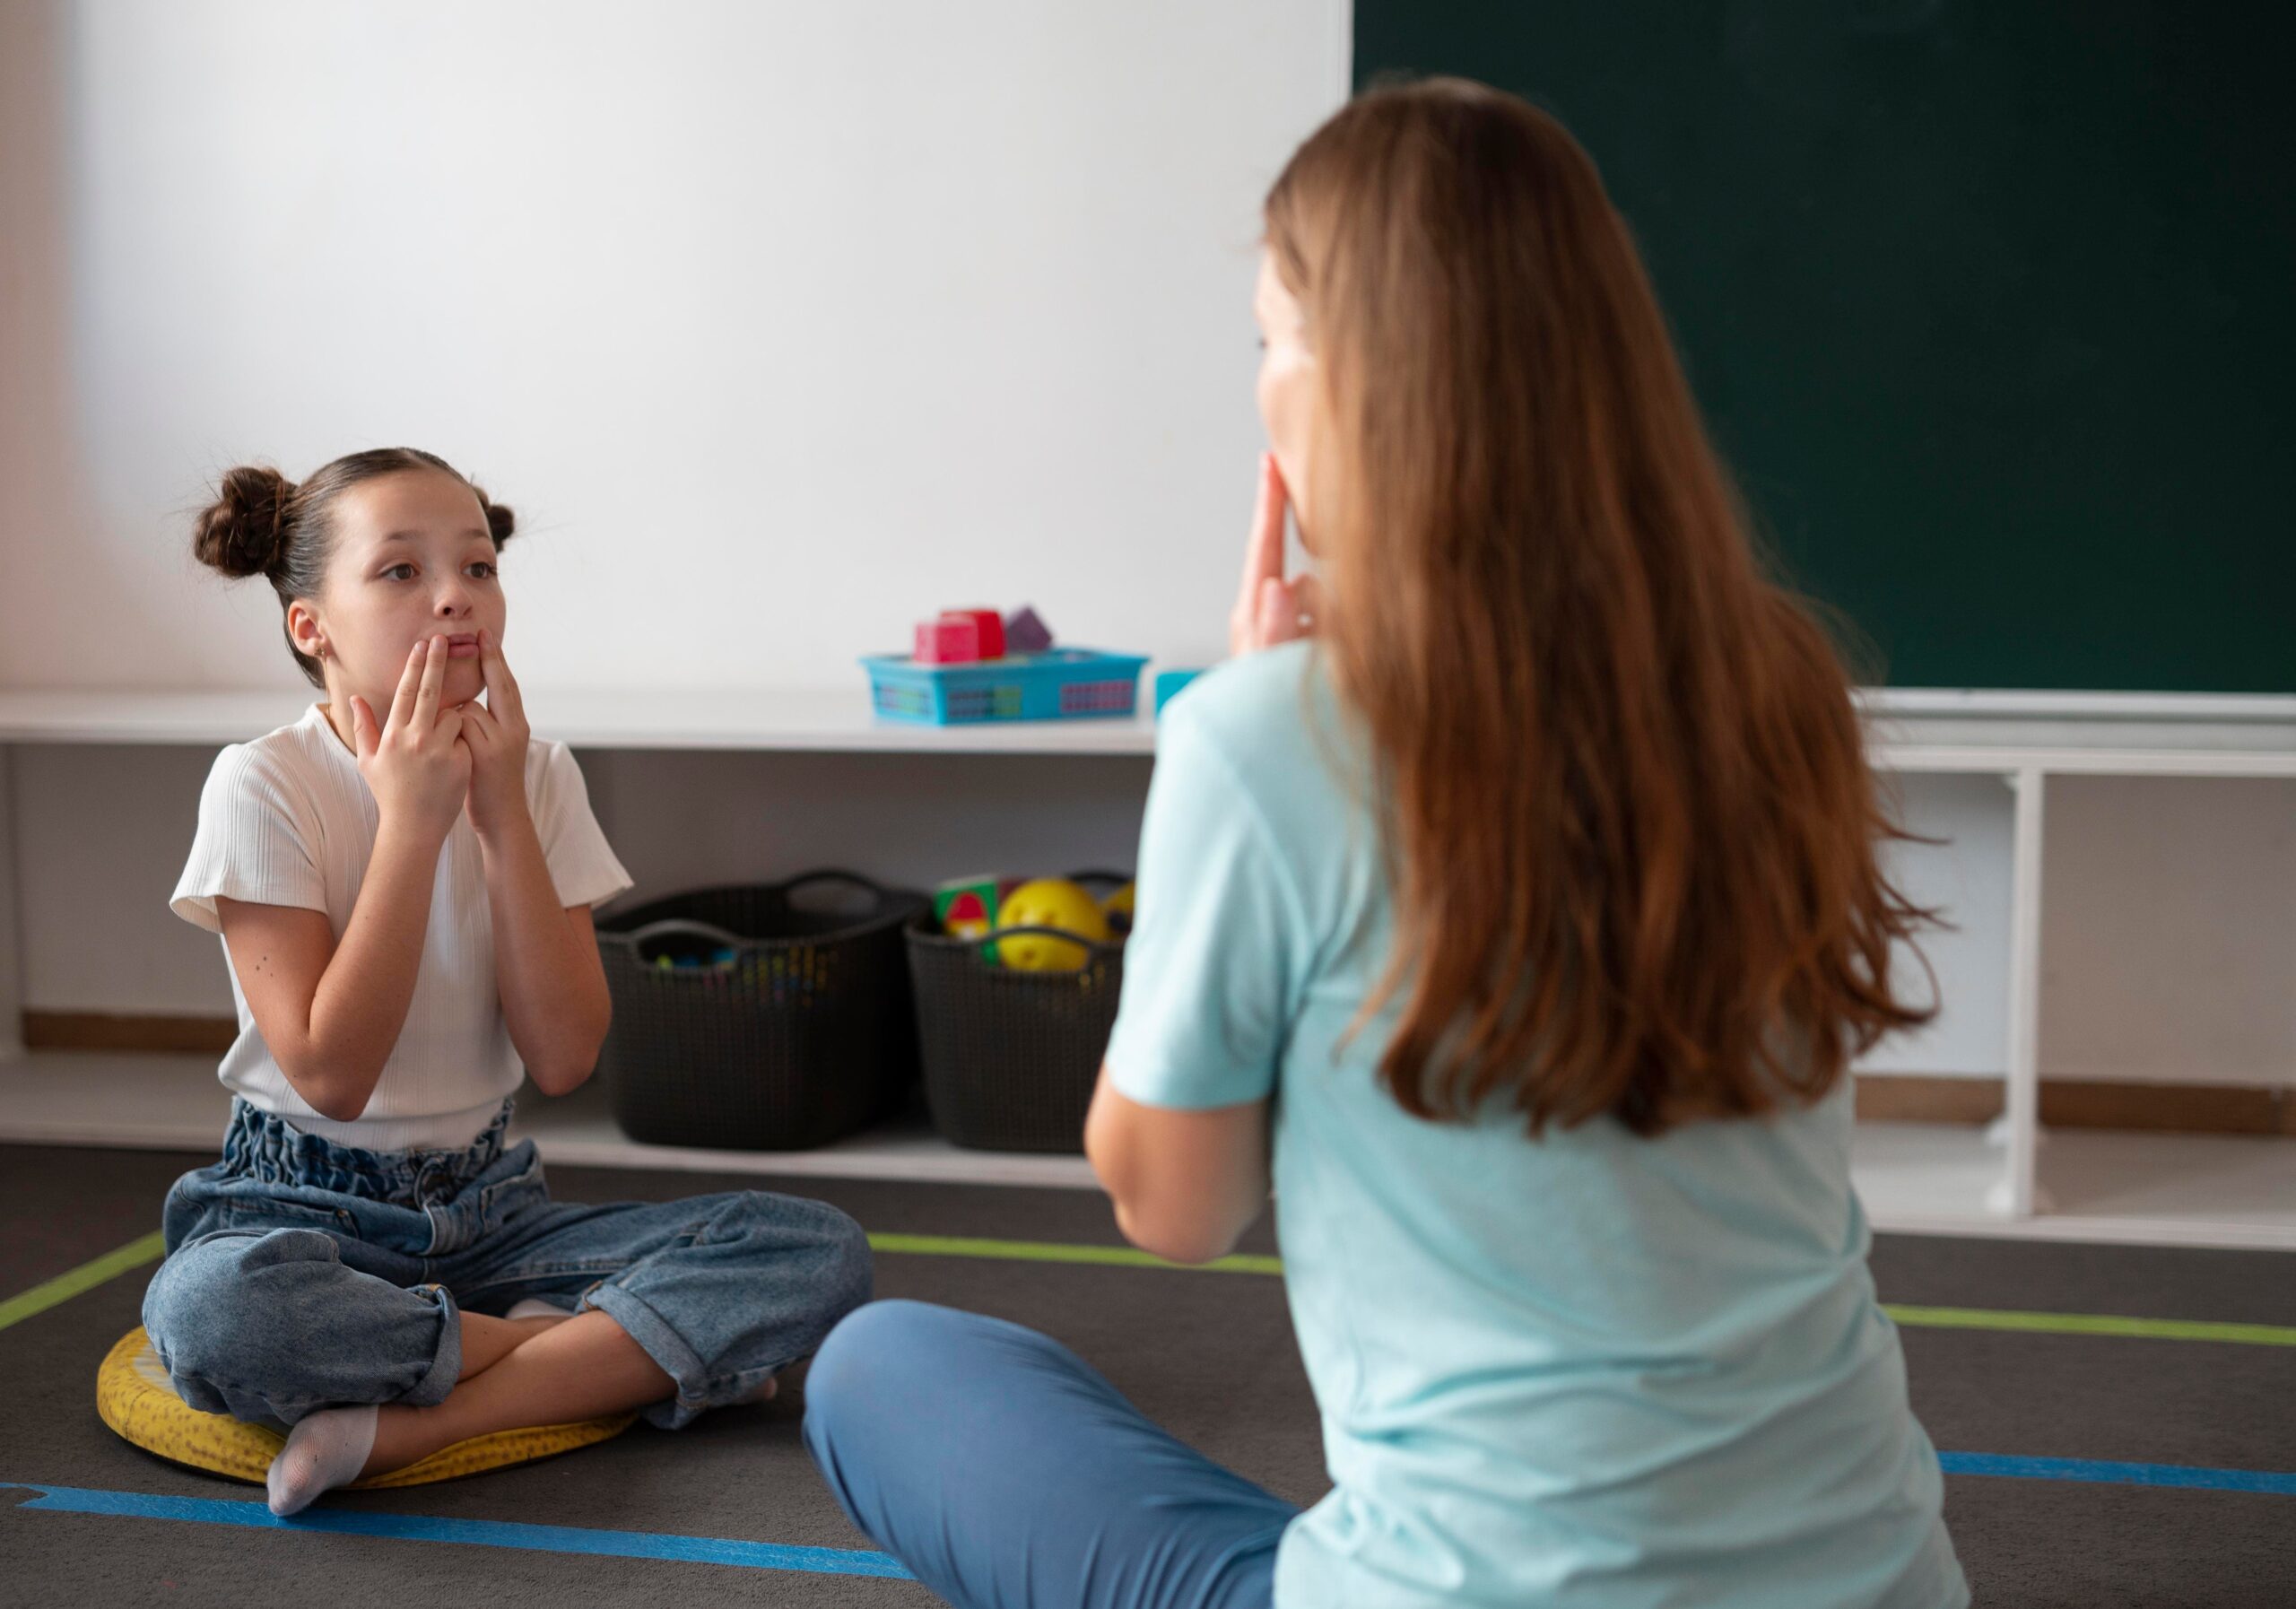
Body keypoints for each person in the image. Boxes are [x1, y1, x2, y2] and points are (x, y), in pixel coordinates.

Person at [800, 80, 1970, 1608]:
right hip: (1881, 1581)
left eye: (1272, 338)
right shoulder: (1781, 688)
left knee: (883, 1362)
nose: (1264, 383)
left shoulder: (1268, 735)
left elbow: (1178, 1209)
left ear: (1355, 380)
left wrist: (1215, 754)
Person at [144, 447, 872, 1517]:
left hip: (494, 1216)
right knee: (220, 1316)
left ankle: (420, 1423)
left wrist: (499, 815)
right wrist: (416, 820)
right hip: (294, 1208)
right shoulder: (263, 781)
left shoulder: (539, 773)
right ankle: (579, 1357)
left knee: (817, 1249)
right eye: (401, 572)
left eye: (478, 567)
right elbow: (335, 1075)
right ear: (312, 624)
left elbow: (567, 1056)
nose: (456, 596)